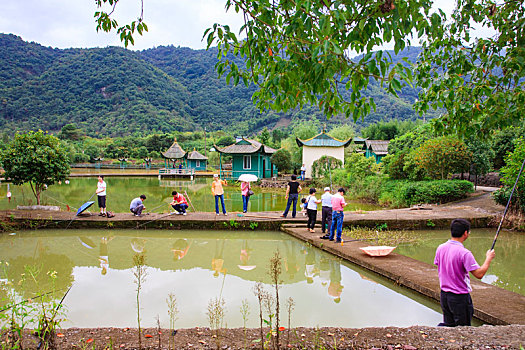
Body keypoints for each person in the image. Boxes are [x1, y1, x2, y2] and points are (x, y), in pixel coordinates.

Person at [434, 219, 495, 327]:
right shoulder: (465, 253)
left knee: (449, 326)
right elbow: (479, 274)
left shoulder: (440, 248)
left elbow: (439, 264)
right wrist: (488, 259)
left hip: (444, 296)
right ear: (465, 233)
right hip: (459, 298)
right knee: (464, 329)